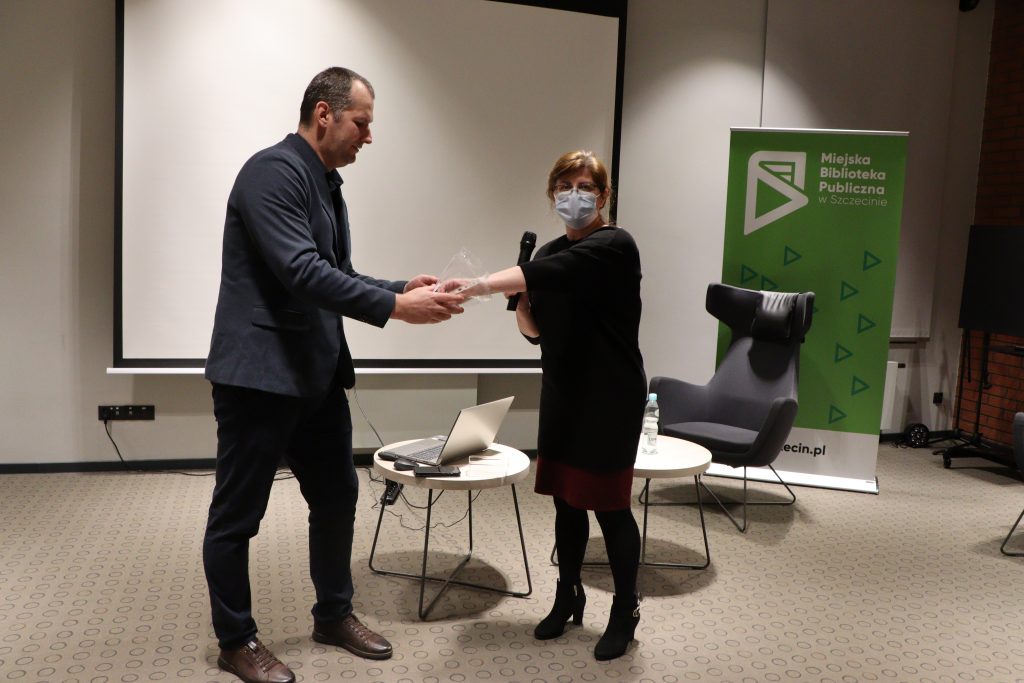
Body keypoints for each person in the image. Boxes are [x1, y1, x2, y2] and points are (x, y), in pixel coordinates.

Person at [202, 67, 465, 683]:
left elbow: (336, 272)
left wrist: (401, 286)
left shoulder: (325, 182)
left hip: (314, 378)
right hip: (260, 378)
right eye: (361, 123)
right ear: (325, 113)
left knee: (337, 497)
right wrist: (396, 306)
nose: (368, 136)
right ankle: (236, 640)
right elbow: (301, 272)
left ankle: (334, 615)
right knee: (238, 517)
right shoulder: (271, 172)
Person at [445, 150, 645, 661]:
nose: (574, 195)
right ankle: (568, 594)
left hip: (610, 397)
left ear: (604, 195)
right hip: (563, 392)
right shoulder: (549, 253)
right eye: (564, 186)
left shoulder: (614, 245)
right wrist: (523, 302)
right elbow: (535, 333)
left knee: (611, 507)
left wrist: (479, 285)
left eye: (585, 187)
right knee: (565, 502)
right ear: (552, 194)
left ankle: (625, 610)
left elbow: (558, 273)